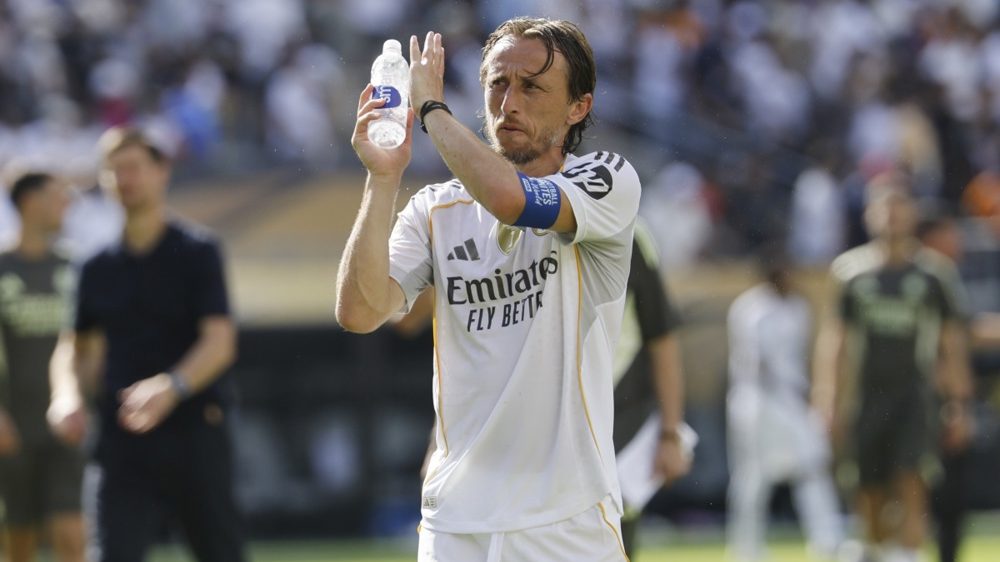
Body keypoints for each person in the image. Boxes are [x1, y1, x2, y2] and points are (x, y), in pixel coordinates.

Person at [336, 18, 641, 561]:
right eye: (498, 83)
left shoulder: (605, 179)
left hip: (566, 521)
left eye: (532, 87)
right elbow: (360, 311)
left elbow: (510, 200)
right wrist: (382, 179)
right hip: (456, 524)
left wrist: (431, 110)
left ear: (578, 107)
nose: (509, 103)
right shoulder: (436, 208)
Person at [46, 127, 246, 562]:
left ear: (162, 172)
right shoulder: (94, 265)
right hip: (121, 438)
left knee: (220, 551)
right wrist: (66, 397)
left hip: (194, 429)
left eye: (134, 167)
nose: (124, 179)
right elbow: (74, 348)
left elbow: (220, 342)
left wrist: (171, 386)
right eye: (113, 171)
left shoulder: (197, 251)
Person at [814, 174, 973, 562]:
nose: (891, 216)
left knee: (911, 481)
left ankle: (908, 555)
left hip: (915, 398)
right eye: (883, 207)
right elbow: (834, 340)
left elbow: (951, 344)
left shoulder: (934, 274)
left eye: (899, 206)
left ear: (912, 214)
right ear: (868, 214)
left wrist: (959, 403)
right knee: (868, 492)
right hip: (865, 398)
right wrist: (826, 399)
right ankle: (880, 552)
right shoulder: (850, 272)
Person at [726, 252, 843, 562]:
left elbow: (801, 358)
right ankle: (746, 549)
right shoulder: (751, 309)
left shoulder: (798, 307)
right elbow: (758, 365)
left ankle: (827, 540)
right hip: (758, 402)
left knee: (812, 467)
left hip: (791, 400)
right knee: (753, 477)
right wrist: (793, 398)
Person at [0, 171, 84, 562]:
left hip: (65, 424)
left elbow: (90, 344)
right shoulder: (2, 267)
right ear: (30, 202)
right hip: (12, 426)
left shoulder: (75, 267)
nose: (66, 204)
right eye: (57, 196)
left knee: (72, 535)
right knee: (19, 542)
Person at [611, 219, 691, 559]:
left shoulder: (627, 230)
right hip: (547, 420)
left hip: (620, 416)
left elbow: (662, 336)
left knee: (614, 540)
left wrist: (670, 434)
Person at [915, 214, 974, 562]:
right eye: (950, 235)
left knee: (950, 498)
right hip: (916, 400)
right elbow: (949, 346)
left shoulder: (946, 277)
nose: (959, 243)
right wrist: (955, 402)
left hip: (939, 399)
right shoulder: (924, 278)